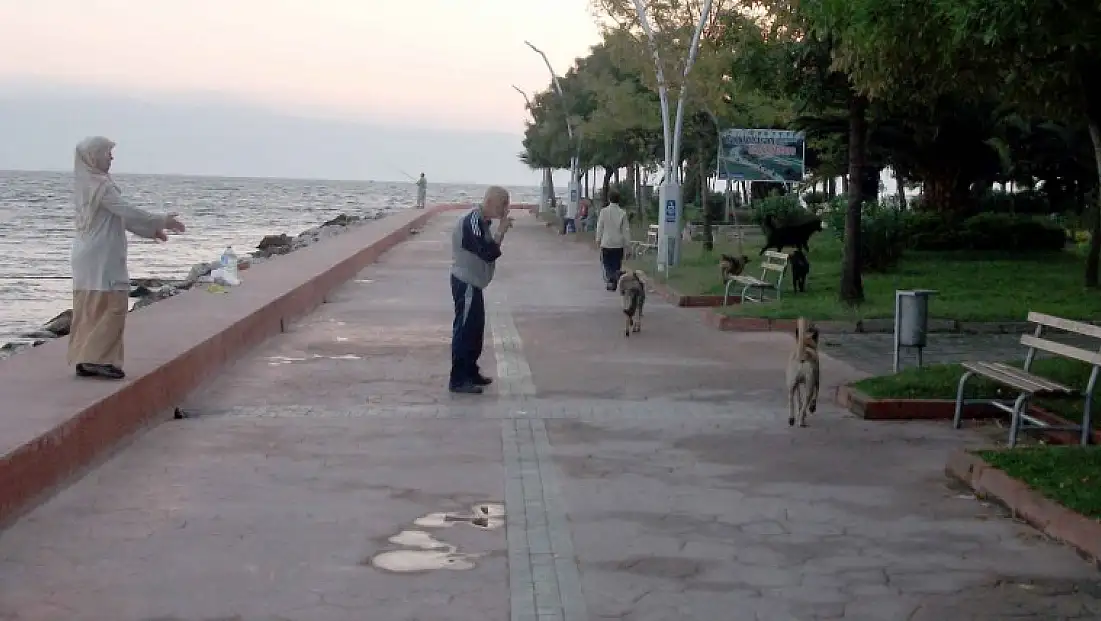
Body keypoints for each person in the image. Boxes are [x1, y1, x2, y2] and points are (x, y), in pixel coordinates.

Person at [68, 136, 186, 380]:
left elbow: (119, 217)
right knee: (115, 304)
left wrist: (152, 230)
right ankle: (96, 359)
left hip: (88, 254)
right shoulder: (101, 186)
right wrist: (160, 219)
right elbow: (126, 210)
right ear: (94, 156)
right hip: (101, 256)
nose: (111, 158)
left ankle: (87, 358)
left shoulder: (88, 184)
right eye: (107, 153)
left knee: (92, 307)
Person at [449, 186, 512, 394]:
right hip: (465, 282)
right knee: (464, 329)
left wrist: (499, 231)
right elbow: (487, 252)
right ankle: (458, 378)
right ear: (493, 202)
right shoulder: (472, 222)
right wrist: (501, 231)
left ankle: (471, 370)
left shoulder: (483, 223)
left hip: (475, 283)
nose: (505, 209)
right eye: (504, 205)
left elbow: (490, 249)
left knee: (475, 329)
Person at [595, 189, 631, 291]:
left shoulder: (604, 211)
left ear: (609, 199)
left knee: (606, 264)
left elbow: (600, 226)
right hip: (618, 244)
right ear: (619, 200)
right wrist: (628, 246)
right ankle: (615, 279)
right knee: (616, 264)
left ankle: (611, 279)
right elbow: (626, 231)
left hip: (606, 242)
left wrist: (598, 239)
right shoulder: (622, 213)